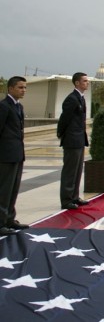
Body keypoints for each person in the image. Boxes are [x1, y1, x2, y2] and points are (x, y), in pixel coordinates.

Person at [57, 72, 90, 210]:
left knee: (77, 170)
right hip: (72, 139)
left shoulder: (80, 98)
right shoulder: (72, 99)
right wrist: (61, 133)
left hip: (79, 138)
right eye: (84, 81)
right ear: (77, 83)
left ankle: (74, 196)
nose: (87, 83)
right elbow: (65, 119)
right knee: (70, 171)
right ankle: (66, 200)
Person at [0, 76, 28, 233]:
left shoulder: (19, 107)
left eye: (24, 87)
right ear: (10, 88)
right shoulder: (4, 106)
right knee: (4, 190)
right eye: (20, 87)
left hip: (17, 153)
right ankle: (1, 222)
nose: (23, 90)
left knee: (13, 189)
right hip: (5, 155)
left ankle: (10, 219)